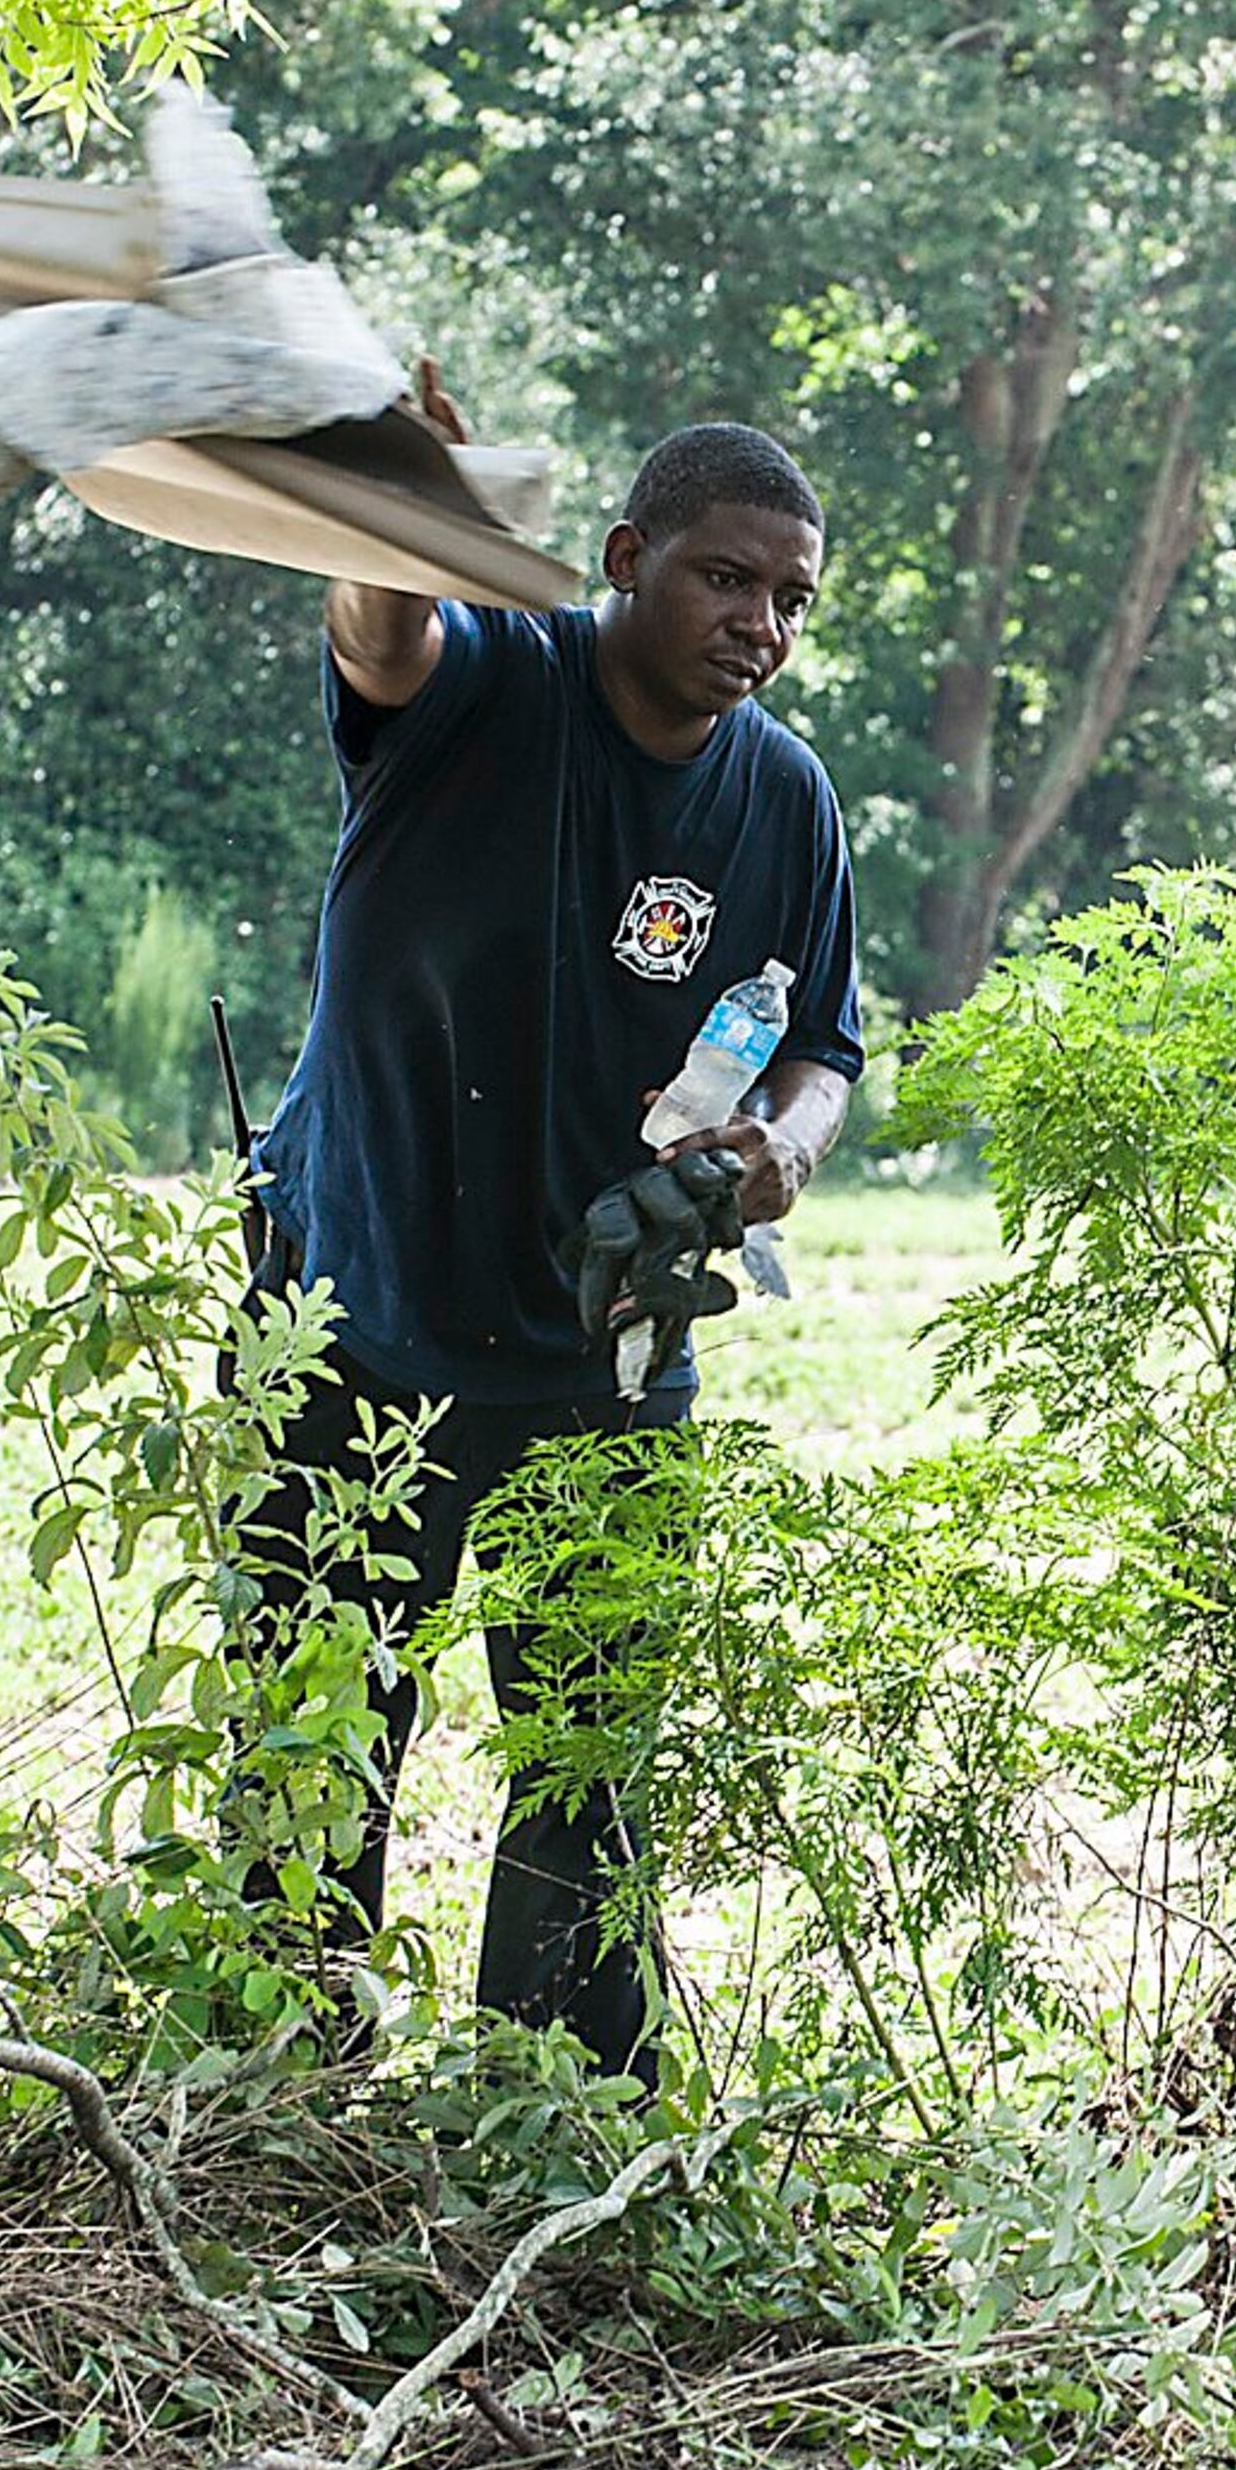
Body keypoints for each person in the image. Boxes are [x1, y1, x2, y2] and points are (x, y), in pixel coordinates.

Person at [246, 374, 863, 2082]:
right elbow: (380, 634)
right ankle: (276, 2098)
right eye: (730, 580)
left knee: (589, 1756)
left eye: (792, 600)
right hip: (362, 1319)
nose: (762, 625)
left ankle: (556, 2113)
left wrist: (785, 1150)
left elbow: (825, 1045)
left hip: (615, 1346)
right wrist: (397, 498)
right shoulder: (486, 681)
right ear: (624, 557)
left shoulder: (787, 799)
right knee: (317, 1730)